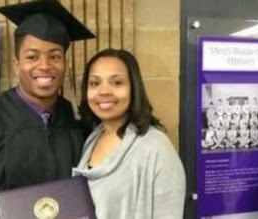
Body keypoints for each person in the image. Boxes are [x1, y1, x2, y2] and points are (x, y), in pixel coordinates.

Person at [0, 0, 95, 218]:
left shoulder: (79, 124)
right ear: (17, 64)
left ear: (66, 64)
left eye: (55, 56)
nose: (44, 66)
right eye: (32, 57)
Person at [72, 49, 186, 219]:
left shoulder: (156, 148)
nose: (104, 92)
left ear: (134, 88)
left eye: (117, 83)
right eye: (95, 83)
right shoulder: (92, 139)